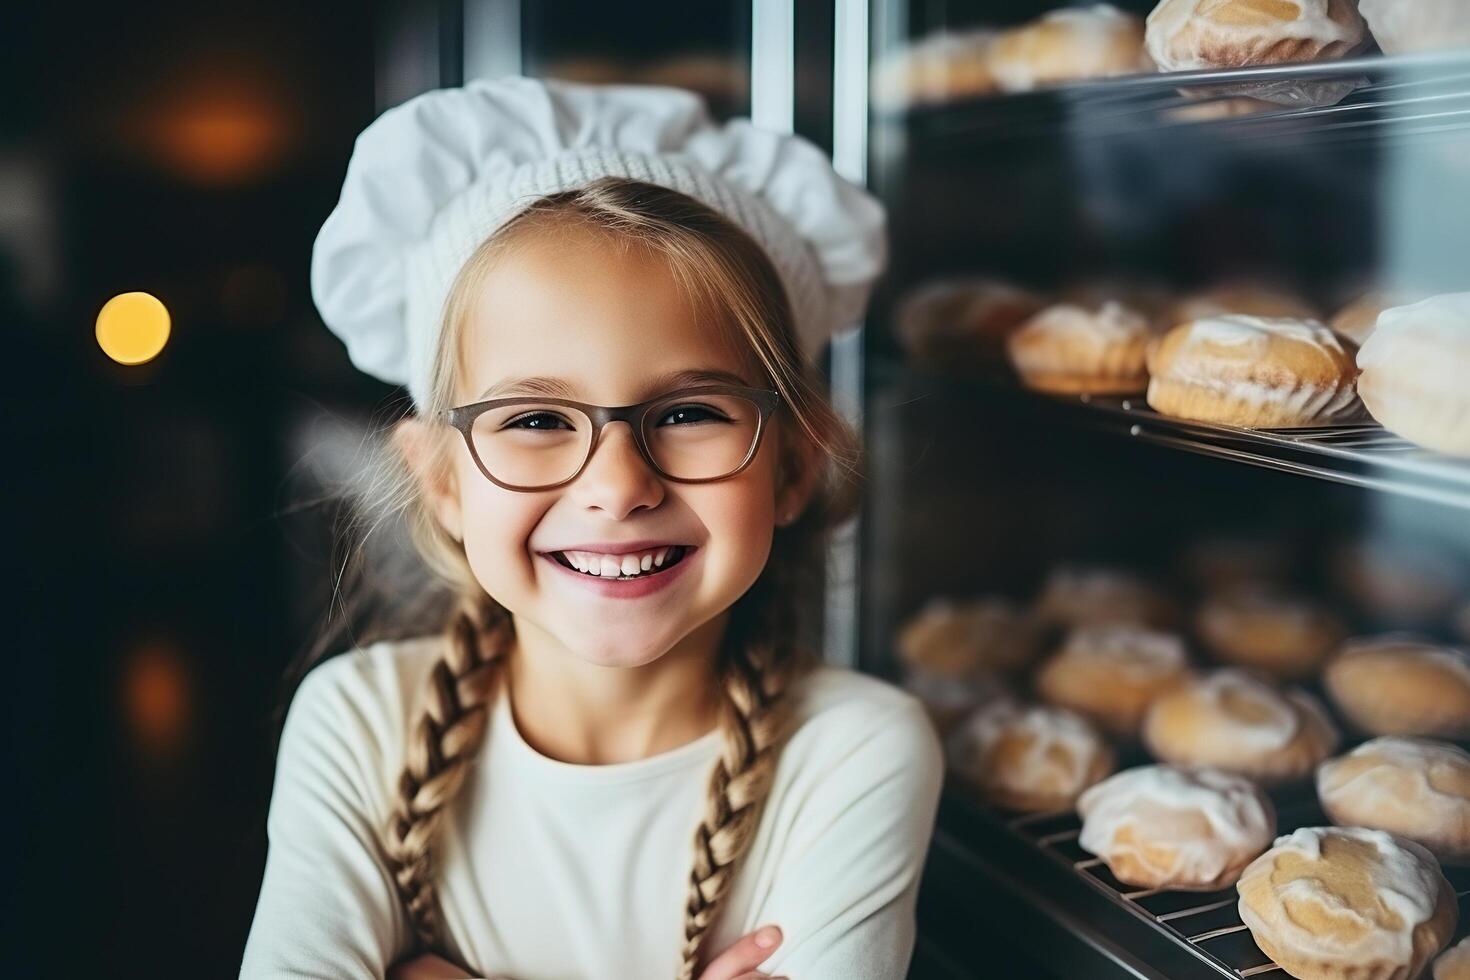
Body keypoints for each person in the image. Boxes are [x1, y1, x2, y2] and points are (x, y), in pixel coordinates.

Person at [239, 75, 944, 980]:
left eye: (690, 413)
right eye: (535, 421)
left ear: (796, 465)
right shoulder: (357, 724)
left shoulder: (858, 752)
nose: (617, 487)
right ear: (442, 481)